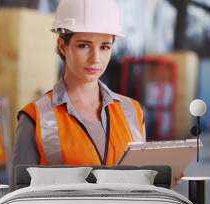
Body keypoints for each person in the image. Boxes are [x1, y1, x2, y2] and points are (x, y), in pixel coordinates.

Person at [10, 0, 145, 187]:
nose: (95, 58)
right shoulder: (35, 118)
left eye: (104, 47)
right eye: (84, 45)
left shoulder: (133, 112)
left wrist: (161, 179)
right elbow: (19, 202)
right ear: (62, 46)